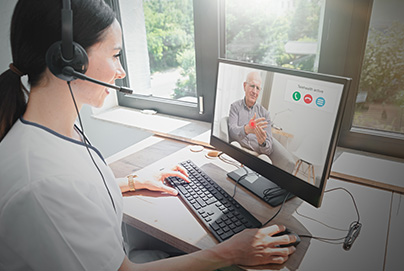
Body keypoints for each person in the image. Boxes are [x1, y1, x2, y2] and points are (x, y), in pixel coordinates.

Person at [0, 1, 296, 270]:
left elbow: (77, 190)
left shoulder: (54, 133)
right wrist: (230, 253)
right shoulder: (42, 185)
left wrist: (131, 182)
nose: (121, 71)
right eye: (115, 55)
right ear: (69, 61)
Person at [228, 71, 274, 160]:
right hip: (239, 149)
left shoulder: (265, 114)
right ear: (244, 86)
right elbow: (231, 132)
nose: (254, 91)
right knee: (234, 145)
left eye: (257, 88)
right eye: (252, 86)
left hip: (257, 155)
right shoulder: (235, 107)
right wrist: (246, 130)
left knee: (266, 160)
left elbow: (269, 149)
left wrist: (262, 143)